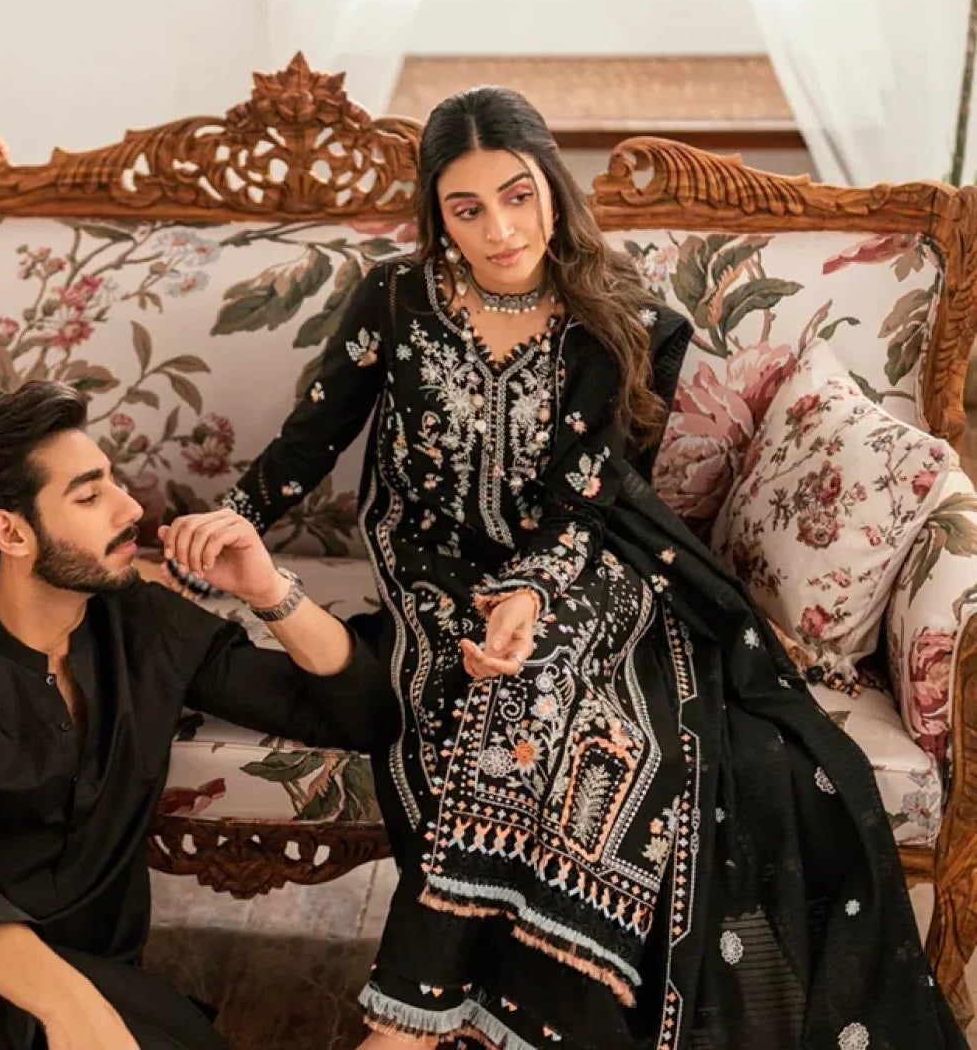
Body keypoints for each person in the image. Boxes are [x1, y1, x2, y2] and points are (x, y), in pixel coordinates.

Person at [218, 85, 965, 1049]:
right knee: (487, 694)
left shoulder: (621, 319)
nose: (499, 229)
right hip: (433, 572)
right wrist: (213, 539)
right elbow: (307, 443)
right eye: (467, 207)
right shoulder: (396, 303)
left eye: (518, 195)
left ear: (552, 190)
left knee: (542, 696)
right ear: (435, 213)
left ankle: (408, 1025)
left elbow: (601, 494)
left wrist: (532, 592)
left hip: (590, 563)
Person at [0, 379, 396, 1049]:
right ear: (11, 532)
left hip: (98, 978)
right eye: (90, 495)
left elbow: (360, 716)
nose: (131, 507)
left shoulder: (141, 622)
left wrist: (268, 589)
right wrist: (68, 1006)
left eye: (114, 484)